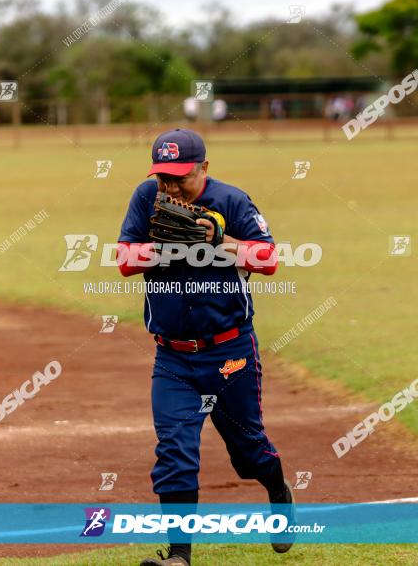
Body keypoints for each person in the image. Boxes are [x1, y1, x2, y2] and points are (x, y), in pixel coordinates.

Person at [117, 129, 294, 566]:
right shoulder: (146, 199)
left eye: (181, 178)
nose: (171, 188)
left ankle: (277, 488)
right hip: (173, 357)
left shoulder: (232, 202)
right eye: (164, 178)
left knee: (249, 453)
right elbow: (124, 261)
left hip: (228, 353)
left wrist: (220, 241)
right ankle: (179, 556)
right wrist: (164, 246)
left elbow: (268, 260)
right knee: (175, 450)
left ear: (205, 168)